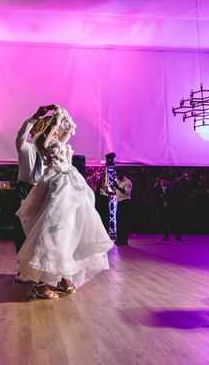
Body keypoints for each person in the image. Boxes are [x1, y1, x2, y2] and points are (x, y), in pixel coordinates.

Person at [16, 105, 113, 299]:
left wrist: (65, 120)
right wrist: (46, 117)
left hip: (62, 185)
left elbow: (66, 133)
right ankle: (33, 274)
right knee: (42, 229)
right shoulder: (31, 144)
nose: (55, 129)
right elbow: (26, 135)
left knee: (69, 229)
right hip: (35, 187)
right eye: (48, 126)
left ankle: (63, 274)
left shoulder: (55, 141)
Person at [14, 105, 51, 281]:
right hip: (24, 189)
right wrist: (35, 116)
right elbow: (21, 133)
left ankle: (38, 270)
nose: (40, 131)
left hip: (41, 190)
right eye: (37, 128)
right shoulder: (24, 147)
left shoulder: (47, 153)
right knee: (22, 231)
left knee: (40, 232)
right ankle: (22, 269)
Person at [113, 172, 132, 245]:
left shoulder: (128, 182)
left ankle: (124, 240)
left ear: (122, 175)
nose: (117, 177)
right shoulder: (118, 181)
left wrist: (117, 187)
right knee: (118, 221)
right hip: (119, 202)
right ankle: (119, 239)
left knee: (124, 221)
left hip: (125, 202)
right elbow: (118, 192)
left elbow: (126, 193)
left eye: (118, 175)